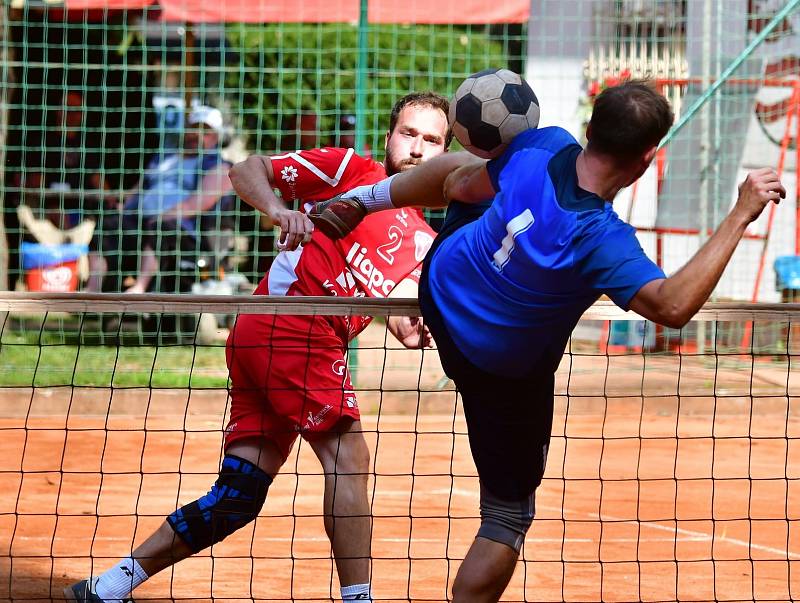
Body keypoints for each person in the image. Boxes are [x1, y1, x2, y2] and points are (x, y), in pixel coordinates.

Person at [308, 80, 786, 602]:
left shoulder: (541, 145)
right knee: (508, 515)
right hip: (495, 367)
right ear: (648, 159)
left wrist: (377, 198)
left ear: (587, 130)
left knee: (466, 176)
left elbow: (460, 188)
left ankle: (362, 200)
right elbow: (672, 306)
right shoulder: (601, 238)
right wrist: (741, 212)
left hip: (443, 286)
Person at [64, 91, 451, 603]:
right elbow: (247, 169)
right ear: (388, 136)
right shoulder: (348, 170)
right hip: (289, 326)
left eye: (432, 139)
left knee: (239, 496)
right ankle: (360, 599)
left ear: (446, 152)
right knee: (348, 459)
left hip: (275, 340)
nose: (418, 148)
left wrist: (419, 329)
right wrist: (277, 211)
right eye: (409, 133)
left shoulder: (423, 239)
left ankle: (110, 586)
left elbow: (400, 325)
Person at [85, 105, 232, 293]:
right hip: (140, 221)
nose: (197, 134)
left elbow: (198, 203)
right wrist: (124, 207)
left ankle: (139, 288)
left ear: (217, 137)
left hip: (182, 229)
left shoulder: (219, 166)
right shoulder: (164, 158)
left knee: (160, 228)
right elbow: (139, 189)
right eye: (194, 128)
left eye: (206, 131)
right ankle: (94, 289)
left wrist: (163, 216)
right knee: (109, 225)